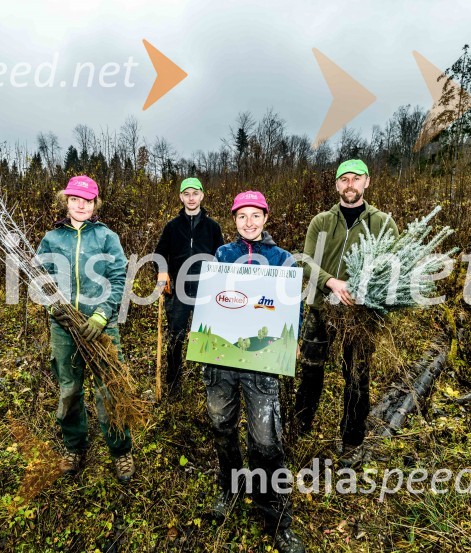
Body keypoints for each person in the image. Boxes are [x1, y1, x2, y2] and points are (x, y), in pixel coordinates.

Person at [204, 191, 305, 553]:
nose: (249, 222)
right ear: (234, 220)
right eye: (242, 216)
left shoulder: (282, 259)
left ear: (266, 217)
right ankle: (230, 487)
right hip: (223, 360)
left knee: (265, 437)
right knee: (221, 424)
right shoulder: (223, 256)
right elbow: (214, 302)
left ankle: (274, 513)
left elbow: (293, 304)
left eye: (255, 215)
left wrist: (292, 338)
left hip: (262, 361)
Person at [294, 159, 398, 455]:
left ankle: (352, 440)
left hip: (361, 314)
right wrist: (332, 283)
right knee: (311, 370)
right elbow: (305, 261)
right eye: (344, 179)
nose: (349, 184)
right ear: (337, 185)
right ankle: (300, 428)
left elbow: (394, 267)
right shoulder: (322, 222)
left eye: (356, 178)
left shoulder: (382, 223)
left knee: (357, 374)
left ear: (367, 182)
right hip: (320, 307)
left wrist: (366, 290)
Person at [36, 175, 135, 483]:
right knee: (70, 389)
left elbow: (119, 278)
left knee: (109, 389)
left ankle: (121, 451)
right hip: (64, 329)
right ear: (65, 201)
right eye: (75, 200)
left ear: (95, 204)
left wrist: (102, 315)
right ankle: (74, 447)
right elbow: (40, 278)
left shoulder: (107, 237)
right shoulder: (53, 238)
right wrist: (55, 309)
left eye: (87, 201)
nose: (81, 205)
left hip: (101, 329)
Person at [154, 177, 224, 396]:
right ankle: (173, 385)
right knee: (176, 337)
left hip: (206, 290)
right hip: (179, 289)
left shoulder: (213, 227)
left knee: (208, 336)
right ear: (181, 197)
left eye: (195, 193)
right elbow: (158, 254)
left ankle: (211, 384)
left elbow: (221, 255)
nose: (191, 198)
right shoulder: (172, 227)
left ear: (202, 195)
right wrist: (162, 271)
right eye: (187, 194)